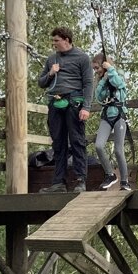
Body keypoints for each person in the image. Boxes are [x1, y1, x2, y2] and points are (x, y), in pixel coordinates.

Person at [37, 26, 94, 193]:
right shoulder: (51, 59)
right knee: (58, 143)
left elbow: (88, 83)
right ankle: (58, 183)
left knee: (77, 140)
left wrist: (86, 107)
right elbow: (41, 83)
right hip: (55, 102)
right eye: (53, 41)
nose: (54, 44)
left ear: (66, 40)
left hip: (74, 101)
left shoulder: (82, 58)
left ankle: (80, 180)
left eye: (56, 40)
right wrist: (51, 73)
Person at [92, 53, 131, 191]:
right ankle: (110, 174)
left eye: (97, 68)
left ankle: (125, 181)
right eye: (94, 69)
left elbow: (119, 84)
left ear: (104, 65)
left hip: (119, 115)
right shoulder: (100, 80)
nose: (96, 71)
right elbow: (98, 96)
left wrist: (110, 70)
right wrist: (104, 79)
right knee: (99, 145)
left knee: (118, 150)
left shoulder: (118, 73)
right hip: (107, 115)